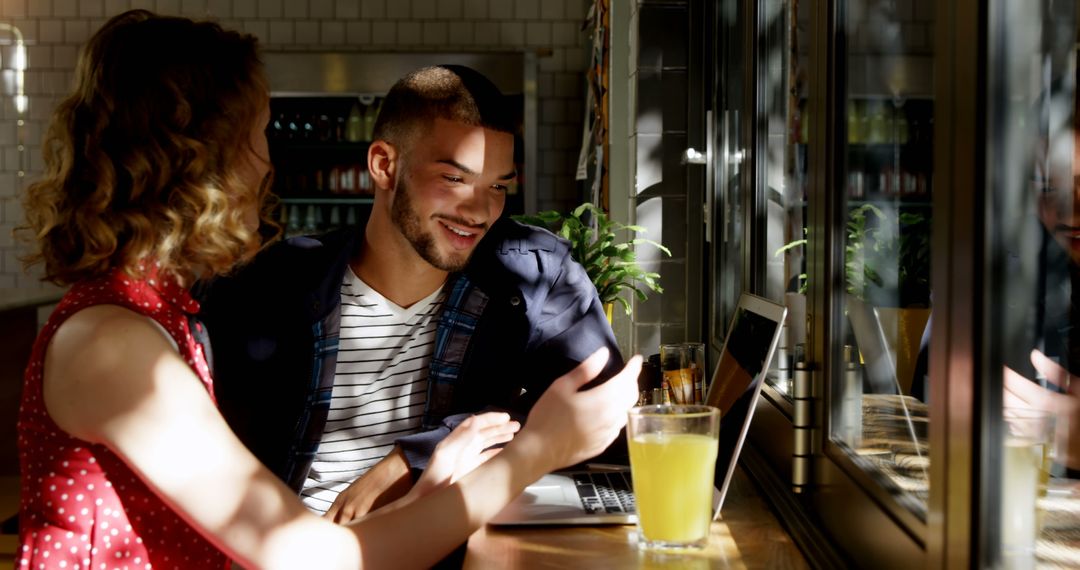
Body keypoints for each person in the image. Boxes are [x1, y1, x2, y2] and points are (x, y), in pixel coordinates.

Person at [16, 10, 641, 569]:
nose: (267, 162)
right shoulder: (114, 344)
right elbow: (310, 557)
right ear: (200, 158)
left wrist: (422, 484)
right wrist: (533, 453)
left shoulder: (153, 320)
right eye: (258, 136)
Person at [199, 65, 625, 521]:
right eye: (455, 179)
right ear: (385, 165)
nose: (481, 211)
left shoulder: (533, 274)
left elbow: (600, 413)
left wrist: (415, 458)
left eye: (498, 185)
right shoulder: (269, 286)